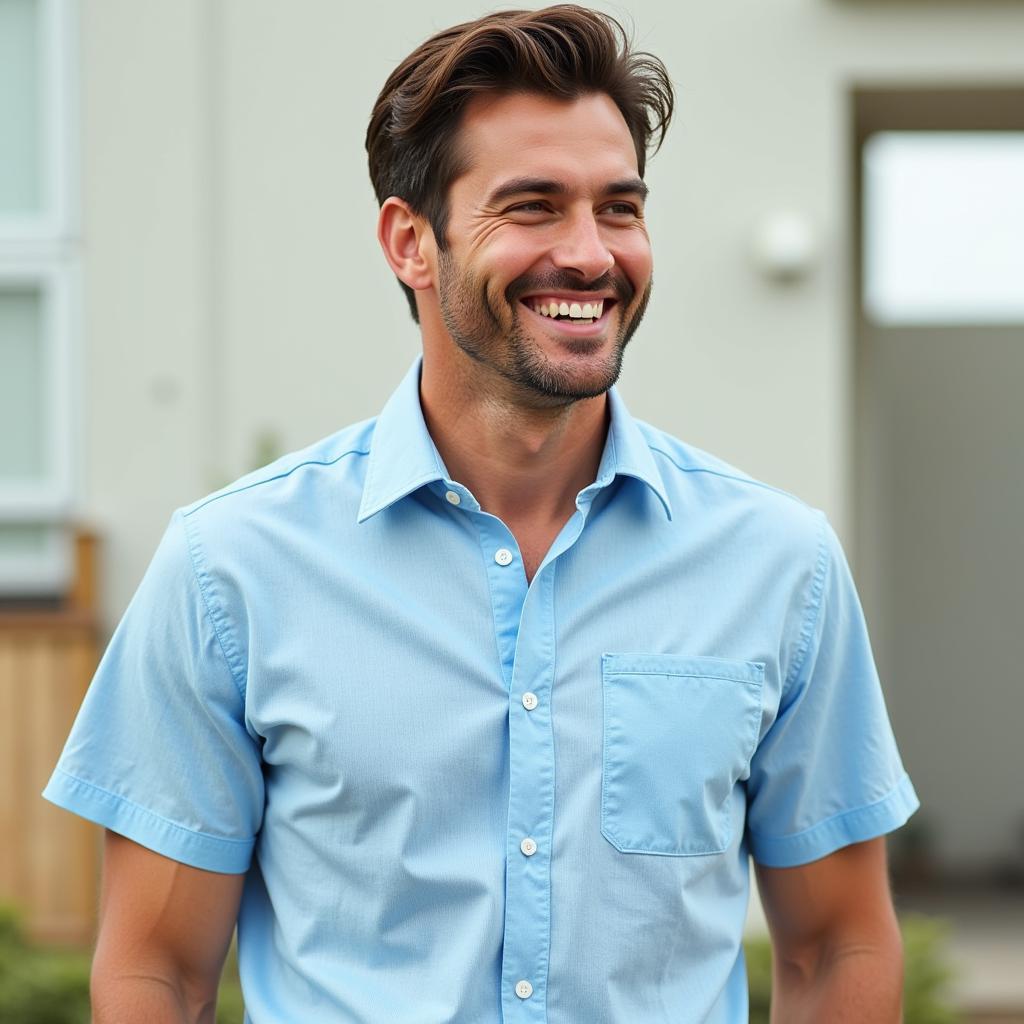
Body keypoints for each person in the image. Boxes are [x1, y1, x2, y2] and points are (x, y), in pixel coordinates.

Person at [44, 6, 919, 1022]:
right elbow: (159, 967)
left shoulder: (778, 565)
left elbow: (837, 943)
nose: (591, 255)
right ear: (409, 242)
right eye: (534, 206)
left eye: (620, 207)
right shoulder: (229, 570)